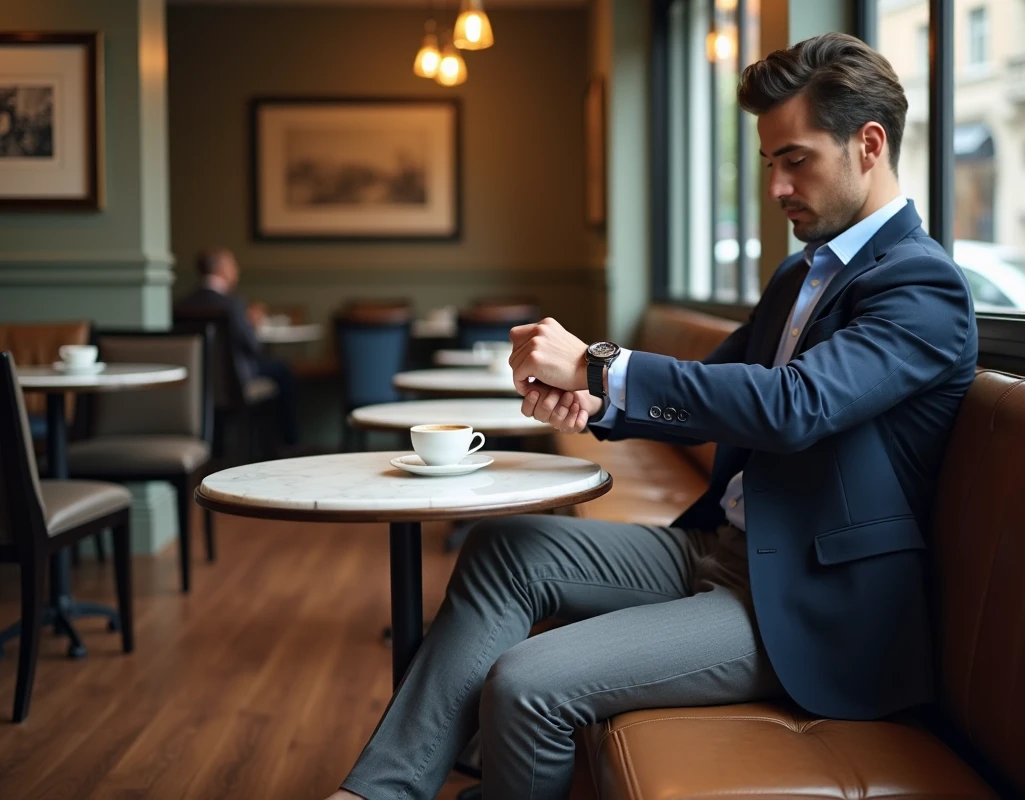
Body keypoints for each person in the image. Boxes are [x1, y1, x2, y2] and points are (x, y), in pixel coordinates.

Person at [328, 32, 977, 800]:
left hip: (807, 605)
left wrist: (601, 365)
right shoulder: (804, 270)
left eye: (795, 159)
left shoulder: (922, 287)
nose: (776, 187)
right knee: (505, 550)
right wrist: (593, 401)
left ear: (869, 144)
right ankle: (377, 793)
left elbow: (794, 406)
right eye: (770, 163)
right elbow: (711, 388)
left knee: (529, 681)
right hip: (721, 543)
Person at [174, 245, 299, 447]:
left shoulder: (183, 303)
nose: (236, 270)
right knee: (283, 370)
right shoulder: (232, 304)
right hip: (235, 382)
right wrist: (252, 325)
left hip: (196, 383)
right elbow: (253, 348)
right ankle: (286, 443)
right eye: (233, 264)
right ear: (221, 269)